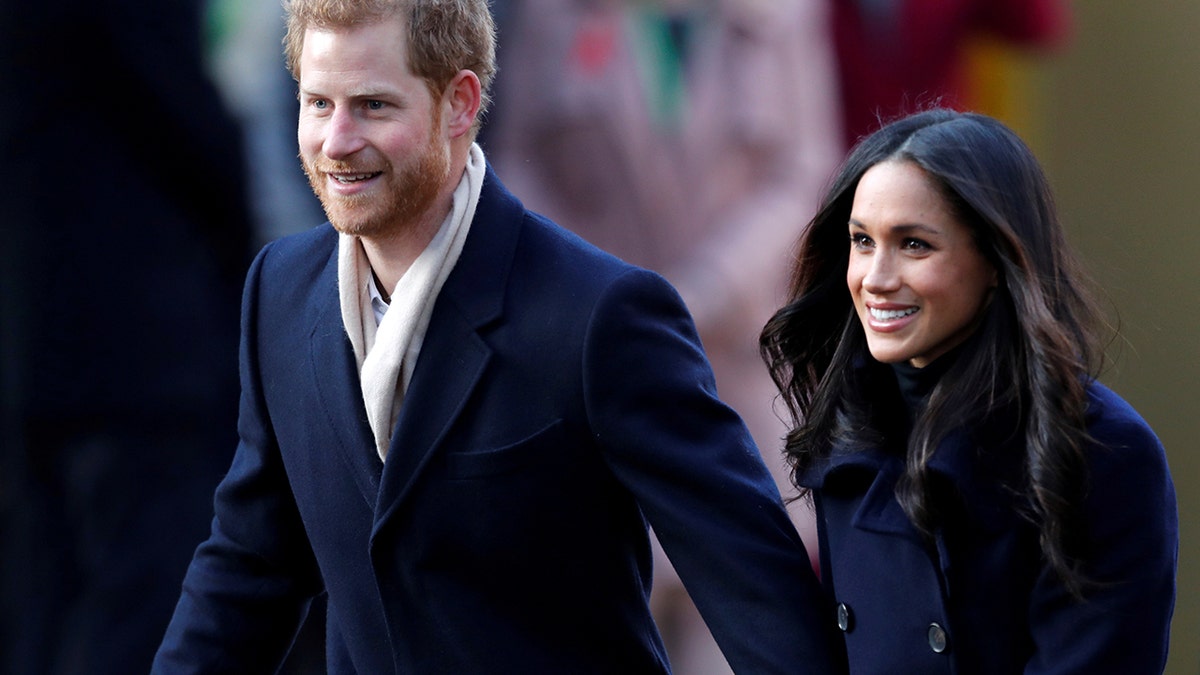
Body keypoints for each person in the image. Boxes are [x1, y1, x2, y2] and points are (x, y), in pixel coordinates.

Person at [151, 1, 841, 672]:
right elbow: (247, 567)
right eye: (318, 103)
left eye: (373, 105)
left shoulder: (600, 315)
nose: (335, 141)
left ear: (460, 103)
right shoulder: (279, 291)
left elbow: (754, 585)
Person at [759, 108, 1178, 673]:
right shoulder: (849, 432)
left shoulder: (1102, 450)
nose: (875, 279)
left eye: (914, 245)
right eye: (862, 240)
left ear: (997, 262)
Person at [487, 3, 841, 670]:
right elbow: (516, 164)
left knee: (740, 634)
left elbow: (805, 176)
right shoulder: (554, 12)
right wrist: (594, 298)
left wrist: (706, 290)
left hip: (736, 372)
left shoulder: (785, 16)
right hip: (588, 381)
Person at [0, 0, 254, 672]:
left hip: (43, 335)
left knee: (48, 600)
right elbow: (181, 112)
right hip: (136, 348)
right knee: (139, 605)